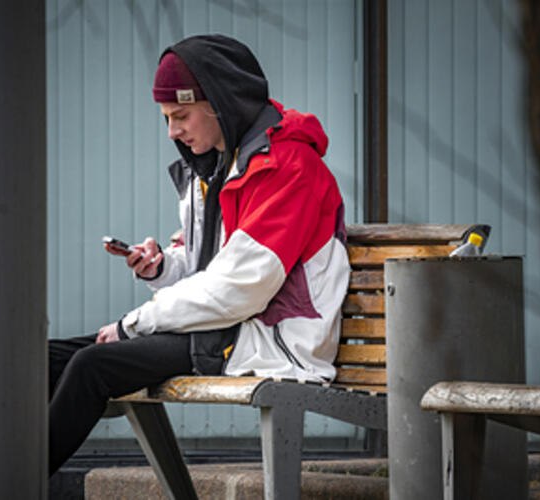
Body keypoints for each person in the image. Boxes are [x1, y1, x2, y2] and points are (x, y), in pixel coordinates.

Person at [48, 34, 350, 475]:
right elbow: (209, 268)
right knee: (46, 360)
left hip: (268, 341)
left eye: (181, 115)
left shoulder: (286, 167)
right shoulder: (220, 164)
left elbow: (238, 289)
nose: (172, 131)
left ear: (221, 103)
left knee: (92, 366)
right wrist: (164, 268)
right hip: (226, 328)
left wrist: (133, 324)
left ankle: (13, 484)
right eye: (167, 118)